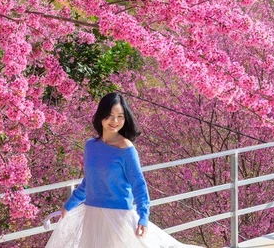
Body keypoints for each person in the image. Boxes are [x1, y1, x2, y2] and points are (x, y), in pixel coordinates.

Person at [44, 93, 199, 248]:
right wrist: (69, 205)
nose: (115, 121)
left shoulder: (126, 148)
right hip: (92, 216)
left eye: (120, 116)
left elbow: (138, 184)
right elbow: (89, 181)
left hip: (118, 217)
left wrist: (143, 217)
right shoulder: (90, 146)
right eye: (110, 116)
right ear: (101, 116)